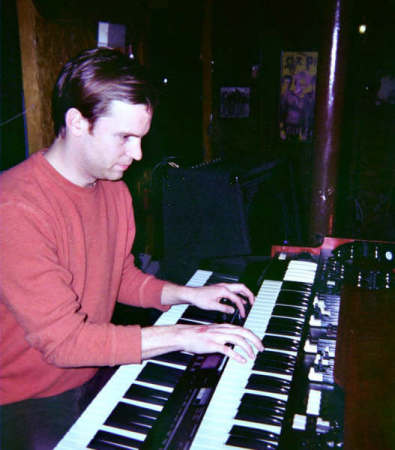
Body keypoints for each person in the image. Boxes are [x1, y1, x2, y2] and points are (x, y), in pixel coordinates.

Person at [0, 48, 263, 449]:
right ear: (76, 123)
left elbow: (118, 277)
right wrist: (185, 335)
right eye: (125, 137)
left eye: (141, 138)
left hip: (91, 373)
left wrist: (189, 294)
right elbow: (64, 343)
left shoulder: (114, 190)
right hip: (24, 403)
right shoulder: (15, 208)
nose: (138, 154)